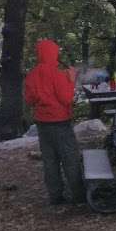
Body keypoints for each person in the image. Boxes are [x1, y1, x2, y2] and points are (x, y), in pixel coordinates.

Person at [24, 39, 84, 205]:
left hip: (42, 124)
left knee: (50, 161)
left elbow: (29, 100)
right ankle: (79, 196)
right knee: (70, 159)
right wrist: (71, 80)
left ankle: (56, 196)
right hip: (60, 122)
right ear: (54, 53)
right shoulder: (57, 74)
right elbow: (66, 99)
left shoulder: (32, 75)